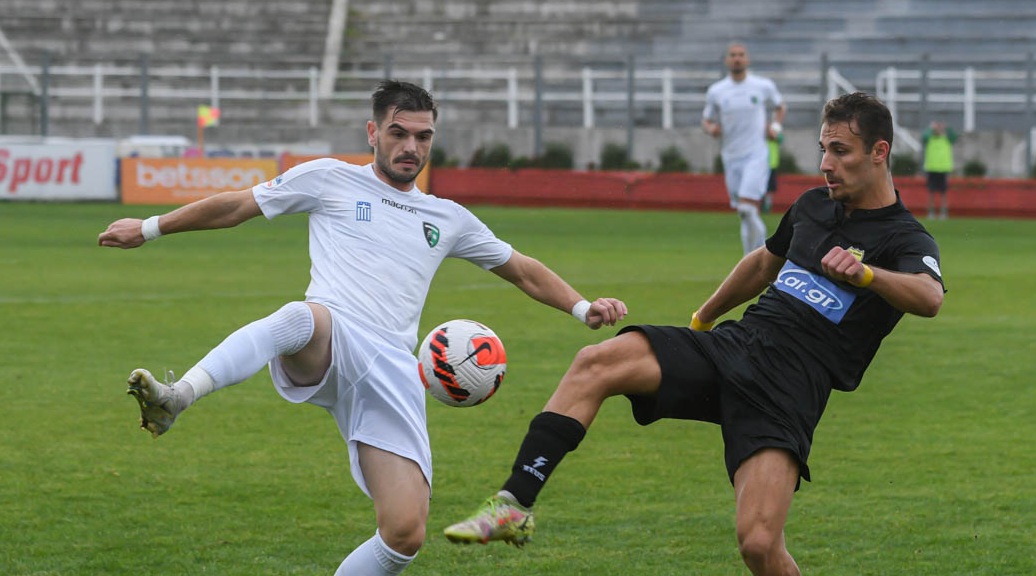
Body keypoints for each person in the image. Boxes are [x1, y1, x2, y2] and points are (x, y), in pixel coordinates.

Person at [97, 80, 628, 576]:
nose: (411, 147)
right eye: (398, 133)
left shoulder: (447, 217)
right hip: (328, 339)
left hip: (394, 371)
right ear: (373, 133)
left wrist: (583, 308)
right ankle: (177, 397)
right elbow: (238, 206)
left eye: (423, 137)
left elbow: (522, 268)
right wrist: (148, 228)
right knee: (302, 316)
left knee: (405, 533)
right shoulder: (328, 177)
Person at [444, 92, 945, 576]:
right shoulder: (814, 205)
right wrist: (703, 317)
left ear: (879, 153)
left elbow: (929, 297)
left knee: (758, 545)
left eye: (840, 151)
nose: (825, 164)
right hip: (735, 347)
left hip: (788, 392)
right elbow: (763, 263)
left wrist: (868, 276)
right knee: (597, 362)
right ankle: (514, 505)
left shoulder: (904, 238)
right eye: (823, 149)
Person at [702, 42, 787, 255]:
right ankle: (749, 258)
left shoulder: (761, 86)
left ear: (747, 59)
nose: (737, 58)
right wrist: (711, 128)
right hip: (731, 157)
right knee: (744, 212)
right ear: (727, 60)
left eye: (741, 55)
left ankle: (761, 254)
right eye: (733, 55)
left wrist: (775, 127)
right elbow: (707, 119)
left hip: (756, 155)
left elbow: (779, 106)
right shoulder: (717, 91)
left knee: (747, 207)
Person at [922, 120, 957, 219]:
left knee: (943, 192)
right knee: (931, 192)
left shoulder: (946, 139)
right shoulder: (930, 139)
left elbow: (954, 136)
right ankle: (931, 212)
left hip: (943, 169)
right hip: (932, 168)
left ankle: (943, 212)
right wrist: (931, 127)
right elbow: (924, 137)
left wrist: (946, 128)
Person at [763, 130, 783, 213]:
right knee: (762, 186)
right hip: (762, 165)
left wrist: (773, 134)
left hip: (772, 165)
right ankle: (760, 204)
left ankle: (767, 206)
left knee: (770, 187)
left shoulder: (776, 136)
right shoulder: (763, 137)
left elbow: (780, 138)